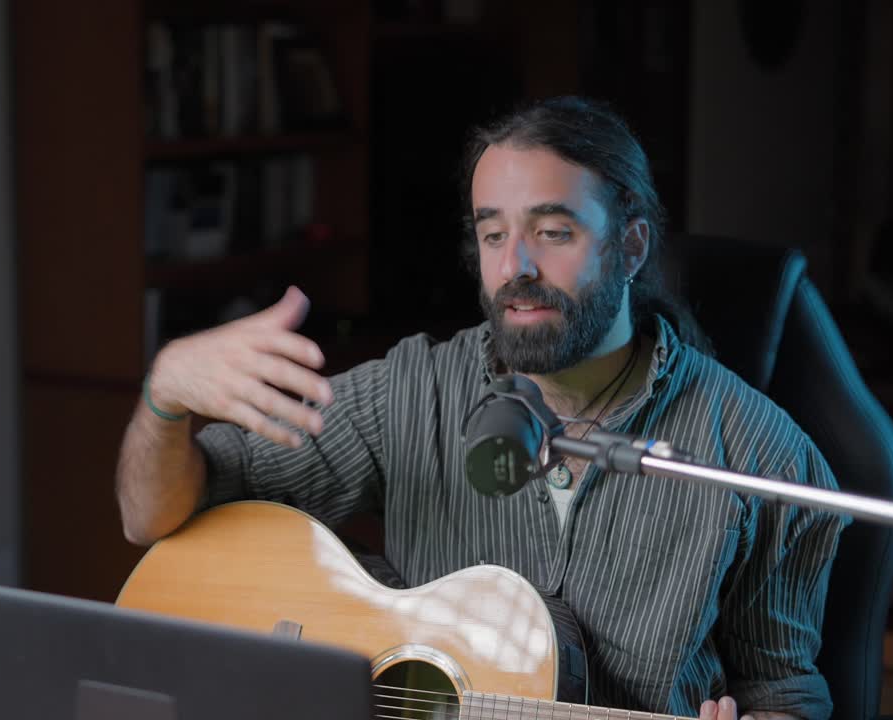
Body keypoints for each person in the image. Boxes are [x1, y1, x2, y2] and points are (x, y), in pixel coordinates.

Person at [116, 96, 846, 720]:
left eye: (552, 232)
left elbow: (784, 689)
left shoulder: (762, 457)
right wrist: (165, 398)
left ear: (630, 248)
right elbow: (151, 520)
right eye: (494, 233)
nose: (514, 266)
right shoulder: (410, 392)